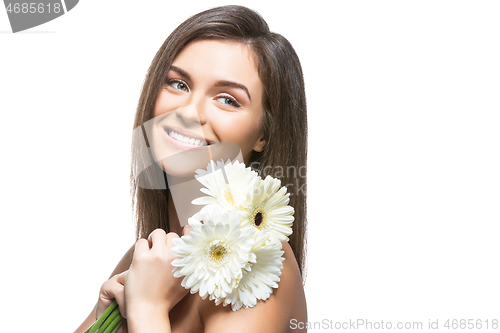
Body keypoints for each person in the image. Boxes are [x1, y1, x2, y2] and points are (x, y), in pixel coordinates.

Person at [75, 5, 307, 333]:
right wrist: (103, 323)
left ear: (264, 135)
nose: (189, 111)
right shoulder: (146, 258)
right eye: (178, 84)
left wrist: (148, 309)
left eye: (228, 99)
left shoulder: (258, 265)